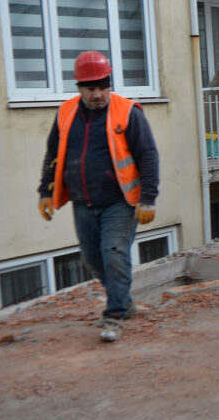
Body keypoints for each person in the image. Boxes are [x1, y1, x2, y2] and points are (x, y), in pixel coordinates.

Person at [37, 51, 160, 343]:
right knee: (93, 258)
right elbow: (53, 154)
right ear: (79, 87)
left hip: (119, 202)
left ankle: (114, 316)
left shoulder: (128, 112)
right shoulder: (66, 113)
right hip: (82, 202)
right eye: (91, 88)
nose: (98, 94)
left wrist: (148, 198)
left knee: (114, 254)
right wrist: (45, 191)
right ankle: (125, 303)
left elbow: (148, 155)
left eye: (103, 87)